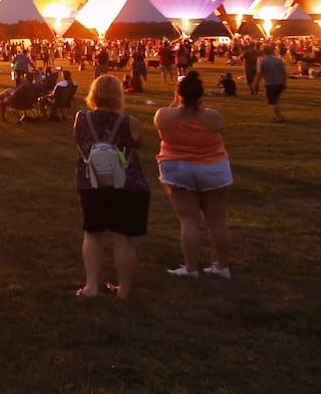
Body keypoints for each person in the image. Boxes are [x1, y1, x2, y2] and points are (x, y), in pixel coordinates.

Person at [73, 74, 149, 298]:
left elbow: (78, 140)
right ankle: (124, 289)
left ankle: (91, 287)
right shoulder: (129, 122)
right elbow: (139, 143)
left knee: (92, 235)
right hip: (126, 183)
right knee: (122, 237)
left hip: (91, 181)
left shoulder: (82, 118)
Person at [154, 73, 233, 280]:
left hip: (177, 167)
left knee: (188, 220)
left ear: (178, 94)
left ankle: (190, 268)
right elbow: (216, 125)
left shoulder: (164, 115)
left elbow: (169, 115)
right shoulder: (212, 117)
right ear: (200, 95)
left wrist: (177, 98)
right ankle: (222, 266)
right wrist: (197, 102)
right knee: (217, 221)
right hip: (213, 168)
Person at [256, 46, 287, 122]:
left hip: (271, 83)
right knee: (276, 100)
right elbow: (283, 72)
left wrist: (256, 83)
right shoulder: (279, 60)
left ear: (263, 52)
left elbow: (260, 73)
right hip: (280, 82)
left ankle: (278, 117)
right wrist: (284, 82)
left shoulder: (263, 61)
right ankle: (280, 115)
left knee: (272, 101)